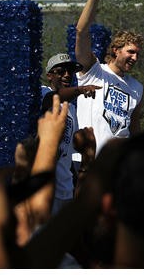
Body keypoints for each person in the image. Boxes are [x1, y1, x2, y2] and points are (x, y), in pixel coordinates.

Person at [75, 0, 144, 154]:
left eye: (137, 54)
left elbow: (135, 128)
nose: (134, 57)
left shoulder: (137, 87)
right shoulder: (94, 71)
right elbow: (81, 32)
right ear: (115, 50)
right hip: (86, 162)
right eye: (130, 52)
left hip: (117, 167)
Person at [41, 53, 100, 215]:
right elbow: (52, 99)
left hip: (65, 189)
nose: (67, 75)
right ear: (49, 76)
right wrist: (80, 90)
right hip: (46, 188)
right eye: (61, 71)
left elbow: (67, 153)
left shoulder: (71, 109)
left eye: (70, 72)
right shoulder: (42, 93)